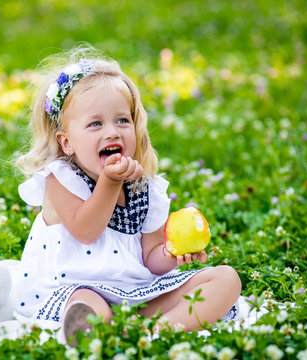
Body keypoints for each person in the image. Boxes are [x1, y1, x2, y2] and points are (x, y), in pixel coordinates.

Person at [15, 47, 241, 343]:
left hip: (138, 295)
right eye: (96, 124)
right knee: (86, 304)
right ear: (67, 142)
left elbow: (150, 259)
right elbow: (85, 230)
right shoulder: (61, 177)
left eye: (122, 120)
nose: (112, 132)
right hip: (77, 286)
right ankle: (94, 327)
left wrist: (172, 253)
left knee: (225, 280)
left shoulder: (146, 187)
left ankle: (153, 330)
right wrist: (109, 183)